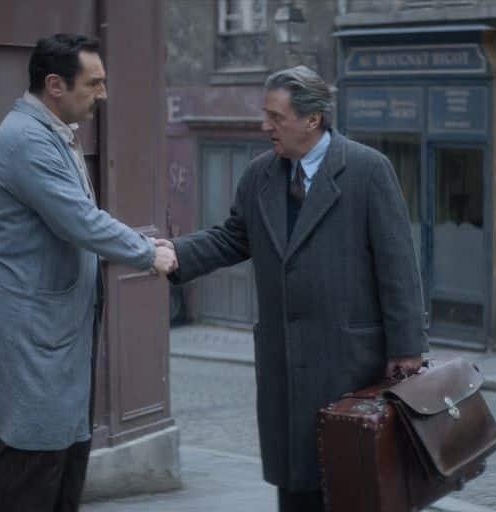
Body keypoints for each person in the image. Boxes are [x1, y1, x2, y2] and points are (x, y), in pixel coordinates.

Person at [159, 65, 428, 512]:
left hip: (351, 360)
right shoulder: (259, 176)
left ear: (312, 119)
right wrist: (176, 253)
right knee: (297, 481)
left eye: (275, 117)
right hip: (283, 360)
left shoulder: (367, 170)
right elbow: (233, 237)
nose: (266, 126)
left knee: (353, 481)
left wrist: (407, 347)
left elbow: (398, 264)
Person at [0, 34, 176, 511]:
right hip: (35, 340)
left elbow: (80, 218)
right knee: (33, 468)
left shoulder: (55, 132)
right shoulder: (25, 139)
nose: (104, 93)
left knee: (64, 463)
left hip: (60, 341)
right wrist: (147, 253)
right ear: (56, 85)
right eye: (94, 83)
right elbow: (79, 220)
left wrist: (140, 243)